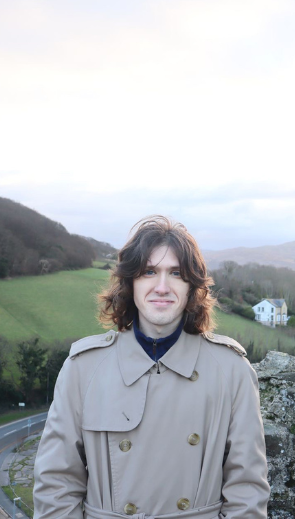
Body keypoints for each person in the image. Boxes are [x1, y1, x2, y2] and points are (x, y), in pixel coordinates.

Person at [33, 216, 270, 519]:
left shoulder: (231, 370)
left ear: (191, 287)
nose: (162, 287)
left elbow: (247, 491)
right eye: (149, 272)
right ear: (130, 282)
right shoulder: (83, 368)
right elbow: (56, 484)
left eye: (176, 273)